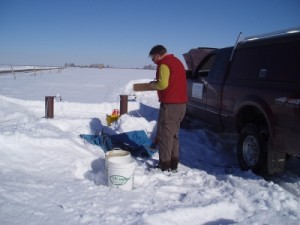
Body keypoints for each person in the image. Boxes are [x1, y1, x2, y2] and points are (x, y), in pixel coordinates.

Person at [149, 45, 188, 172]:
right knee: (174, 135)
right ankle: (173, 162)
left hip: (171, 106)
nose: (153, 60)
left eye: (153, 57)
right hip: (182, 105)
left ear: (158, 54)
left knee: (166, 136)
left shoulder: (164, 64)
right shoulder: (177, 62)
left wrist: (152, 84)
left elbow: (162, 84)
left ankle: (164, 165)